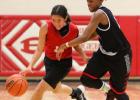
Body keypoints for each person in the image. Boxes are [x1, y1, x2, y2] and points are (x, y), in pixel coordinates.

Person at [56, 0, 132, 100]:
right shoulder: (100, 14)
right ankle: (108, 90)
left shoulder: (99, 14)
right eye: (87, 0)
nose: (88, 3)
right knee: (86, 79)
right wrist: (74, 41)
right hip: (104, 54)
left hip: (121, 56)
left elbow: (84, 37)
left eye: (91, 1)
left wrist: (65, 45)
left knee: (119, 93)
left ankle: (112, 93)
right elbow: (93, 34)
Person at [20, 5, 88, 100]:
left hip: (63, 63)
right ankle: (77, 93)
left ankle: (77, 93)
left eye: (59, 20)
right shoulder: (45, 27)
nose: (56, 23)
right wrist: (30, 66)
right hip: (49, 62)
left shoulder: (74, 29)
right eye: (53, 20)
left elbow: (76, 45)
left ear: (65, 18)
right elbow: (39, 49)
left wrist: (84, 57)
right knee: (56, 89)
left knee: (40, 88)